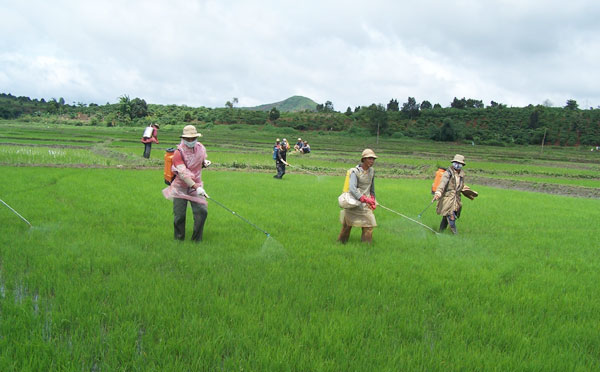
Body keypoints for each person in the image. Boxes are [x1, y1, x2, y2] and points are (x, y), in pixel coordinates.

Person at [162, 125, 211, 242]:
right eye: (187, 139)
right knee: (179, 216)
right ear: (183, 138)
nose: (190, 141)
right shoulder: (178, 153)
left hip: (196, 185)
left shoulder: (201, 148)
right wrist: (197, 187)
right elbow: (183, 174)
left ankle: (196, 240)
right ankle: (179, 240)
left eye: (192, 138)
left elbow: (200, 162)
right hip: (181, 187)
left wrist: (205, 163)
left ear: (196, 138)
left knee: (202, 211)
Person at [338, 149, 378, 244]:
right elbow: (352, 188)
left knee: (368, 226)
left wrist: (373, 199)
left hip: (366, 204)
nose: (372, 161)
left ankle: (366, 246)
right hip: (353, 202)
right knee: (347, 226)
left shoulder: (372, 171)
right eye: (370, 158)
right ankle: (341, 243)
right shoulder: (355, 172)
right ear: (363, 159)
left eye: (373, 159)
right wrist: (363, 198)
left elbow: (372, 188)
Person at [433, 154, 470, 234]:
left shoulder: (462, 175)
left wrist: (467, 191)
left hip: (456, 200)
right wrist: (438, 192)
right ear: (453, 163)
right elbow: (442, 183)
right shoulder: (448, 173)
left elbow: (461, 186)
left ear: (462, 165)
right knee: (451, 217)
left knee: (446, 218)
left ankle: (440, 232)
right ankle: (455, 235)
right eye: (455, 162)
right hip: (448, 199)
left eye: (459, 163)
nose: (457, 164)